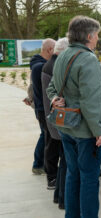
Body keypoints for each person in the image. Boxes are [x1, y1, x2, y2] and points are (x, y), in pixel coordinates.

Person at [47, 15, 101, 218]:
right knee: (89, 178)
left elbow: (52, 88)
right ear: (88, 36)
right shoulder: (87, 59)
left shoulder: (63, 54)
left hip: (67, 126)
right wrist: (99, 130)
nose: (97, 38)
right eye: (96, 34)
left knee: (73, 174)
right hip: (86, 130)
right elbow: (90, 100)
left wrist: (55, 98)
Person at [41, 37, 69, 209]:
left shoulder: (51, 64)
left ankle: (59, 196)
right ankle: (61, 197)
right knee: (66, 161)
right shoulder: (56, 66)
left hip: (55, 117)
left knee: (64, 160)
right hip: (59, 118)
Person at [31, 38, 56, 182]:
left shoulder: (37, 64)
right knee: (48, 138)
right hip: (43, 109)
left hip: (41, 108)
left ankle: (39, 164)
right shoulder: (41, 67)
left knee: (45, 136)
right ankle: (40, 165)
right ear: (49, 50)